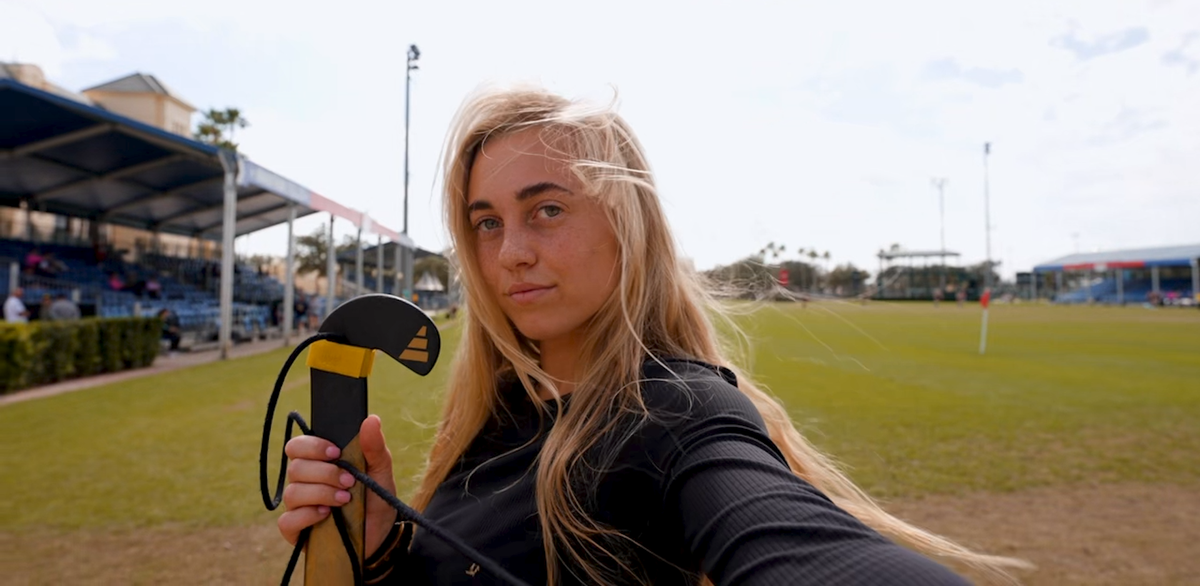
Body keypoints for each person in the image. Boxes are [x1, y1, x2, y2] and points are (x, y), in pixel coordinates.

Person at [278, 87, 1023, 585]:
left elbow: (798, 545)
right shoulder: (499, 411)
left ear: (626, 225)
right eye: (487, 222)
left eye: (546, 210)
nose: (510, 253)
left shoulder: (677, 412)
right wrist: (380, 550)